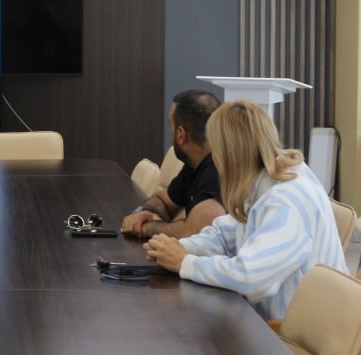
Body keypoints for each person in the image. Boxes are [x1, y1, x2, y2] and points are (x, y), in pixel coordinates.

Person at [145, 100, 347, 321]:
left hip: (286, 334)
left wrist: (185, 262)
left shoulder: (287, 200)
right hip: (272, 324)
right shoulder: (262, 180)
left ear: (228, 156)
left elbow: (251, 278)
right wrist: (179, 248)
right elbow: (225, 236)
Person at [121, 90, 225, 240]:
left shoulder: (218, 170)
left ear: (181, 135)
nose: (171, 133)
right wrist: (146, 211)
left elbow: (196, 232)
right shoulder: (195, 164)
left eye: (171, 126)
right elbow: (164, 201)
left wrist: (147, 227)